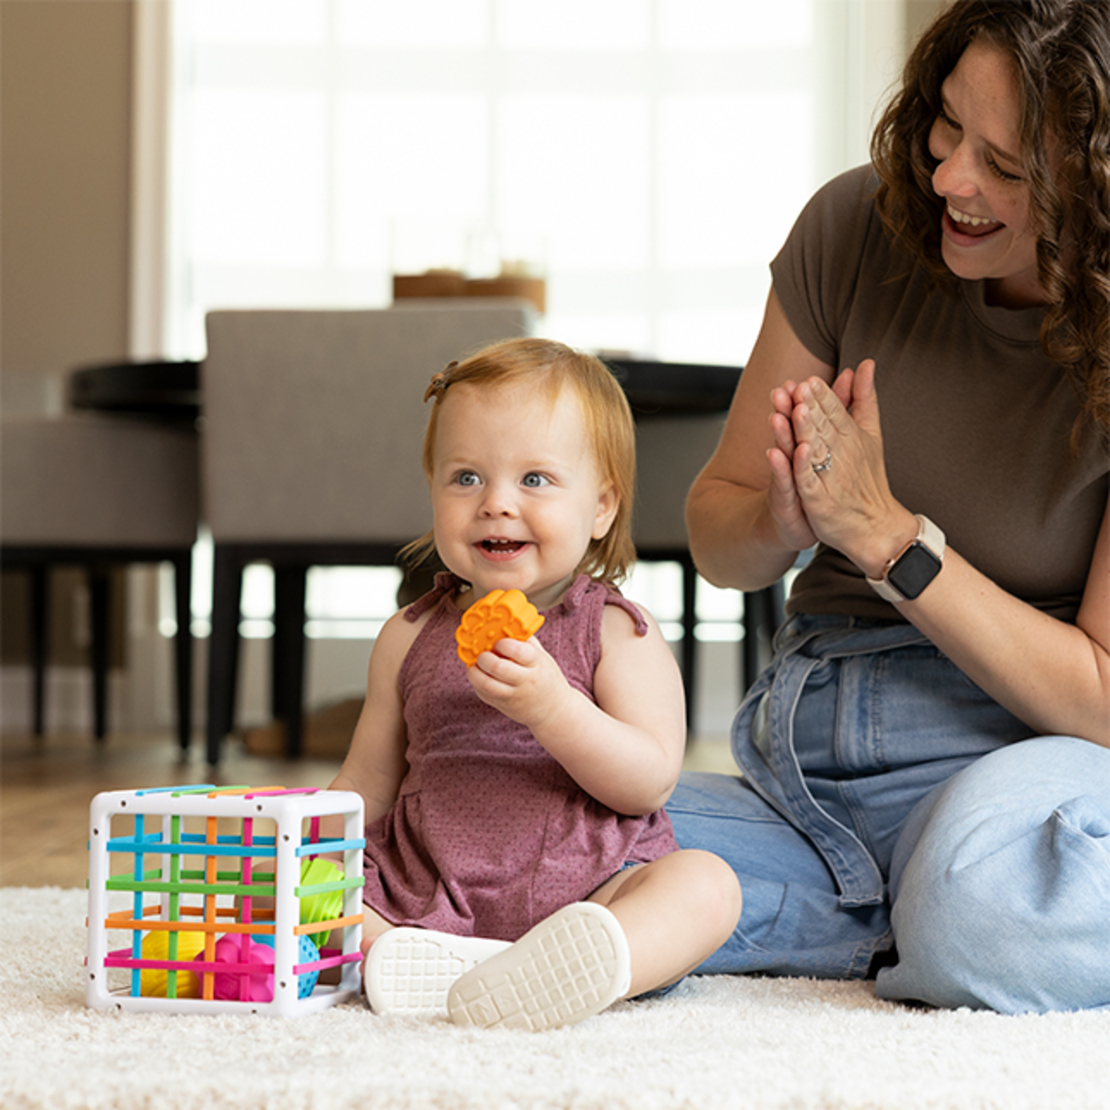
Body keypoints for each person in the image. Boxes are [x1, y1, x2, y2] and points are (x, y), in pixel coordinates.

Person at [668, 0, 1110, 1015]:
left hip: (1012, 768)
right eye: (948, 125)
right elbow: (716, 534)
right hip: (804, 763)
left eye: (1007, 167)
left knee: (986, 909)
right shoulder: (853, 224)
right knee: (502, 823)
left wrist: (890, 540)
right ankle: (880, 913)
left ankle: (883, 909)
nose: (951, 177)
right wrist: (784, 518)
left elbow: (1100, 694)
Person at [327, 337, 742, 1031]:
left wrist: (554, 708)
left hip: (585, 894)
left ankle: (577, 969)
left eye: (535, 480)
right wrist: (283, 838)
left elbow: (648, 781)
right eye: (465, 478)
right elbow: (365, 787)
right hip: (426, 889)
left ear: (602, 507)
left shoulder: (615, 633)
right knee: (315, 888)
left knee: (707, 887)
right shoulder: (409, 634)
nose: (495, 504)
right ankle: (404, 958)